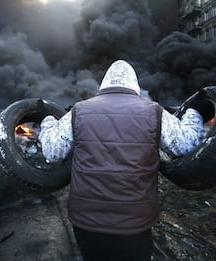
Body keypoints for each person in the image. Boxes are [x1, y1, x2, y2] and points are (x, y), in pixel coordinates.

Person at [38, 60, 204, 260]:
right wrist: (194, 112)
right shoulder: (154, 111)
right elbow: (186, 145)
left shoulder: (79, 111)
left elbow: (52, 152)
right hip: (134, 225)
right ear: (134, 85)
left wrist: (47, 120)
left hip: (86, 223)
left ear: (104, 84)